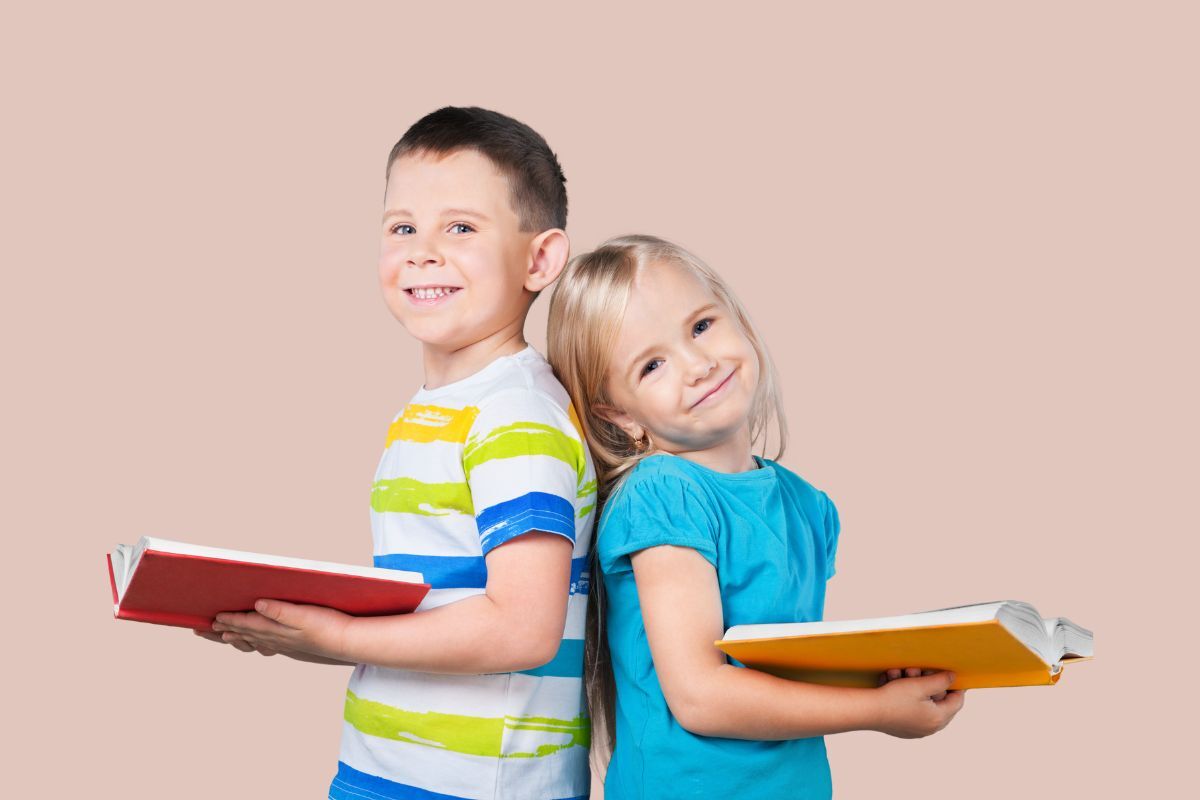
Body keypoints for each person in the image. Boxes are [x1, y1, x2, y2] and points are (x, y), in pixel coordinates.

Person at [201, 107, 596, 800]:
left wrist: (338, 638)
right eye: (403, 227)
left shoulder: (517, 415)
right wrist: (302, 630)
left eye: (461, 228)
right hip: (383, 767)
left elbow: (523, 628)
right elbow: (438, 611)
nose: (422, 251)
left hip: (477, 786)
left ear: (540, 259)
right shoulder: (432, 411)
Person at [546, 235, 964, 800]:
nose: (698, 364)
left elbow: (783, 672)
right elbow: (700, 696)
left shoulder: (809, 506)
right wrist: (875, 710)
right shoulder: (664, 494)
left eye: (700, 326)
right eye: (652, 365)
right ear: (619, 415)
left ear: (735, 316)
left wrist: (891, 678)